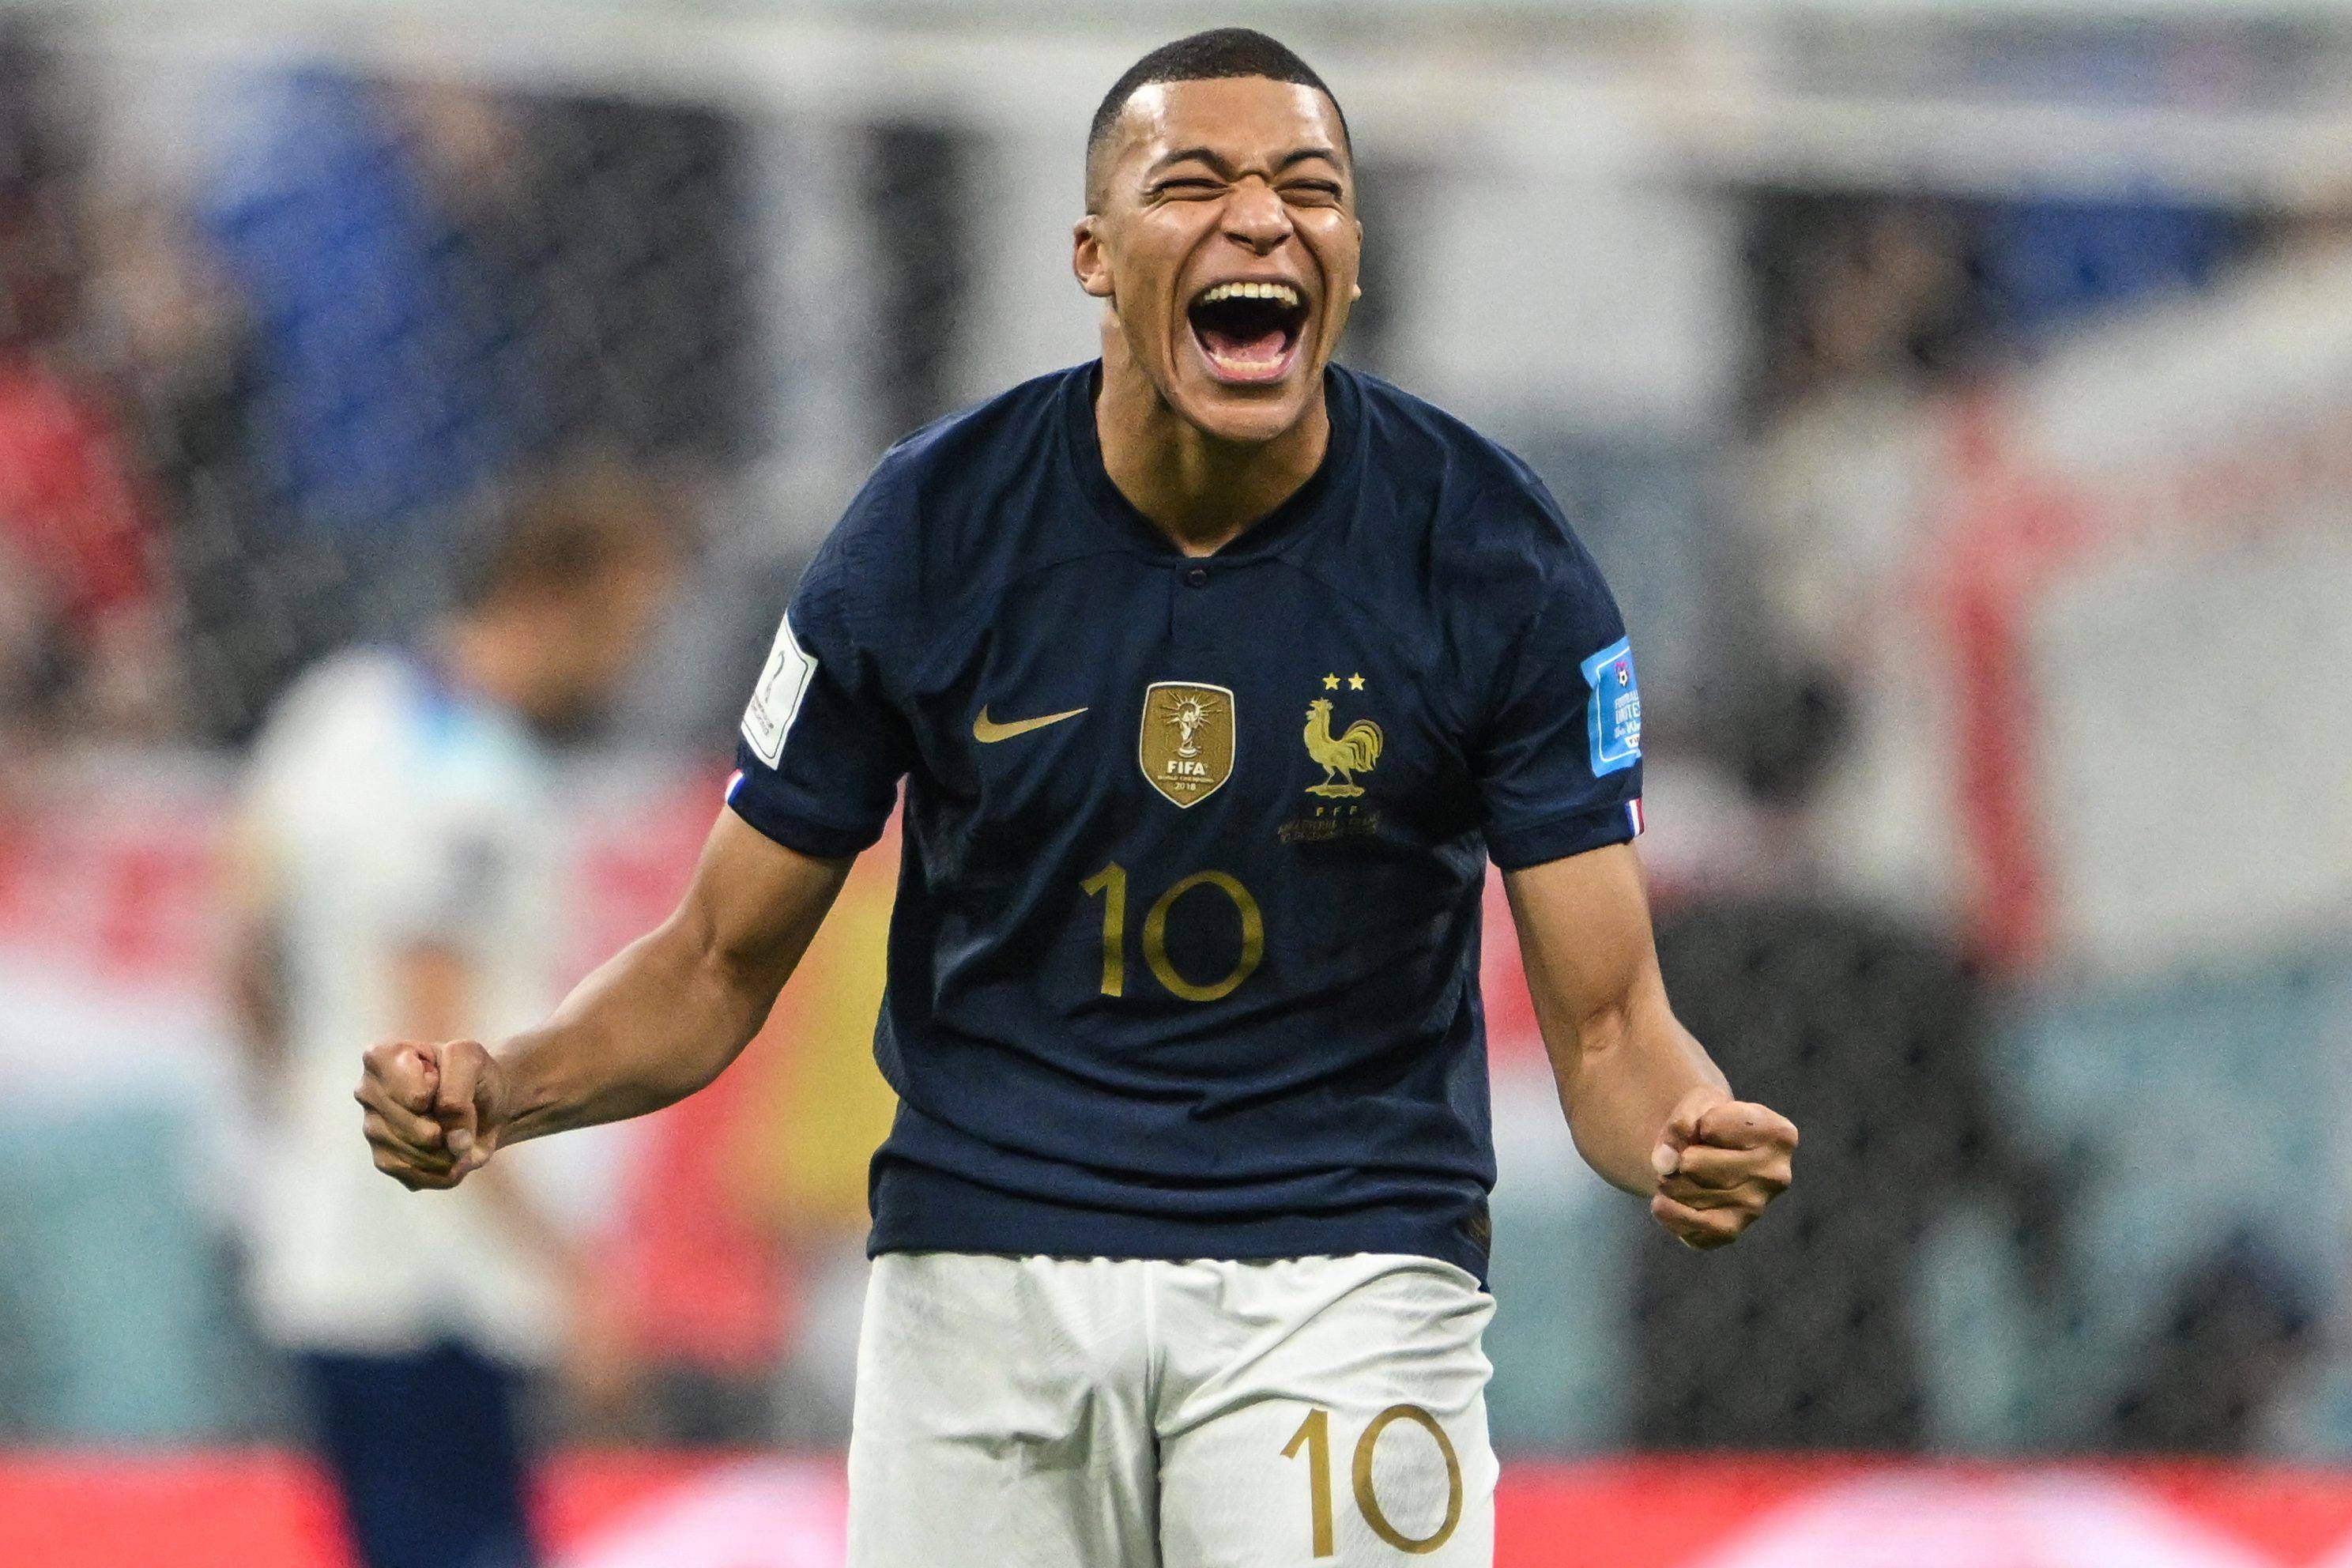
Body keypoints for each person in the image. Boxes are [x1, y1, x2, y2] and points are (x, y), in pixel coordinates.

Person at [355, 30, 1799, 1567]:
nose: (1263, 218)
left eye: (1309, 187)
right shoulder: (926, 532)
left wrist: (1676, 1128)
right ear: (1093, 256)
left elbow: (1609, 1022)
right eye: (1197, 183)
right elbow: (716, 958)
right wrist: (507, 1085)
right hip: (986, 1272)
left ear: (1354, 255)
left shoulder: (1495, 557)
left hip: (1344, 1272)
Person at [232, 463, 674, 1568]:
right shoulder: (476, 786)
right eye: (627, 626)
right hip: (439, 1286)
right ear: (560, 597)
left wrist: (305, 1118)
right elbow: (436, 1065)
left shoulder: (337, 711)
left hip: (328, 1248)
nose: (628, 660)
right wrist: (569, 1274)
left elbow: (239, 951)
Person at [1629, 669, 2064, 1449]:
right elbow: (1982, 1156)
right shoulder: (1903, 963)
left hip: (1685, 1348)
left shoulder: (1667, 959)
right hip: (1858, 1347)